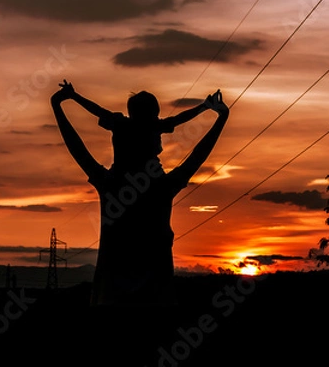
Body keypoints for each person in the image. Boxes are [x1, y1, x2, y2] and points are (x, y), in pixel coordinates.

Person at [51, 82, 229, 305]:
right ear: (156, 143)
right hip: (156, 306)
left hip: (111, 304)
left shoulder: (111, 185)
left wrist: (61, 104)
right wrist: (218, 115)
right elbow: (197, 154)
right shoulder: (162, 187)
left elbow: (77, 146)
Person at [51, 80, 211, 173]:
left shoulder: (121, 123)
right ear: (154, 112)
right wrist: (205, 106)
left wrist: (74, 96)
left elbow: (97, 110)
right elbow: (179, 119)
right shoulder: (153, 125)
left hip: (120, 174)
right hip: (149, 176)